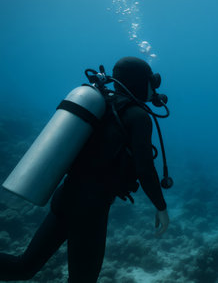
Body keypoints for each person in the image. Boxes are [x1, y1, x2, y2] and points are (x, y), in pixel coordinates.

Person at [0, 56, 170, 282]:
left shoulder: (102, 104)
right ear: (141, 82)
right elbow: (145, 169)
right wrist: (161, 207)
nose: (155, 88)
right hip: (90, 210)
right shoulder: (137, 116)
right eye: (152, 81)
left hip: (65, 198)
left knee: (23, 267)